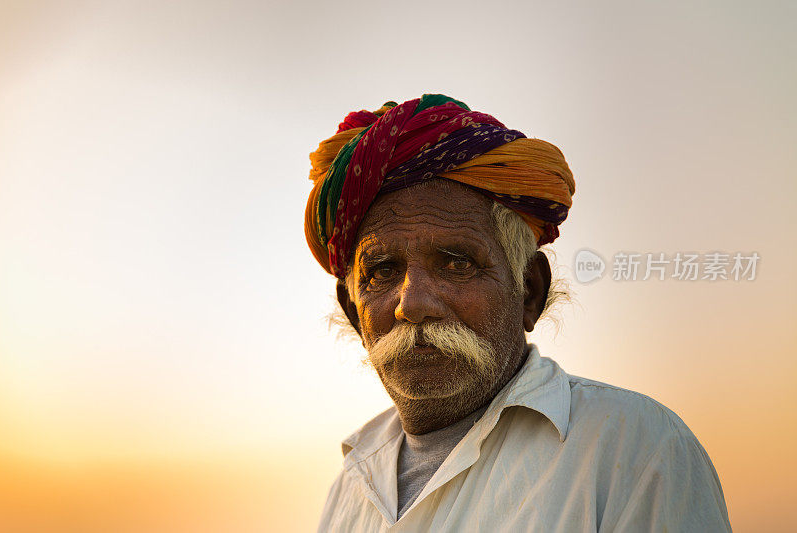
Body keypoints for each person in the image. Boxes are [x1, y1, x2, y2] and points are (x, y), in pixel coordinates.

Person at [304, 95, 731, 531]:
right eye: (382, 271)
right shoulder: (349, 490)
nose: (412, 304)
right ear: (354, 313)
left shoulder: (636, 448)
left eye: (457, 263)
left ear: (529, 291)